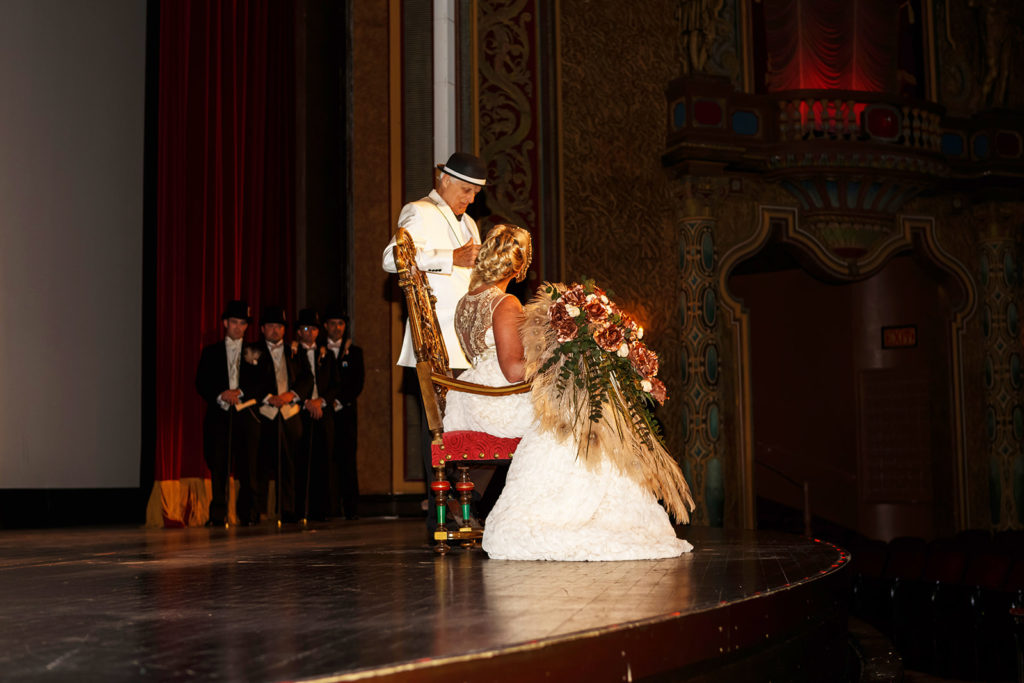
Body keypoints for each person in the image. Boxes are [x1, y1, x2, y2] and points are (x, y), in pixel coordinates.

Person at [448, 232, 696, 561]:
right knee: (581, 413)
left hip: (473, 395)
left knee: (579, 405)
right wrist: (558, 359)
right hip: (499, 397)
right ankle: (572, 515)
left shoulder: (466, 301)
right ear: (520, 267)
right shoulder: (505, 302)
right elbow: (512, 370)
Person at [382, 151, 487, 531]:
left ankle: (468, 508)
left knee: (470, 428)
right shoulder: (419, 210)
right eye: (465, 190)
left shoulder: (472, 224)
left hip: (469, 344)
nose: (469, 199)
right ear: (443, 179)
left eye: (475, 193)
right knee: (440, 431)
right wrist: (449, 257)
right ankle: (441, 517)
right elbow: (392, 258)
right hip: (435, 341)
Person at [195, 300, 262, 526]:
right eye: (234, 322)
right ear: (225, 323)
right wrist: (222, 394)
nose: (238, 327)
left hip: (245, 416)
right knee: (219, 466)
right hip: (220, 416)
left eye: (242, 323)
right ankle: (217, 515)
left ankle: (249, 514)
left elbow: (262, 382)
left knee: (248, 467)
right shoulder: (211, 352)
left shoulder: (255, 351)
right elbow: (201, 382)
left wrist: (240, 392)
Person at [255, 306, 310, 523]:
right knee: (261, 463)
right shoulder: (253, 351)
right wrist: (268, 396)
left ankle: (288, 509)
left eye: (279, 326)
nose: (275, 330)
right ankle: (256, 511)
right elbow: (250, 379)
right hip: (265, 412)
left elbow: (308, 378)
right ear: (262, 329)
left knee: (290, 463)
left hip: (289, 413)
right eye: (270, 326)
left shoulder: (295, 351)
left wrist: (290, 395)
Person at [294, 308, 336, 522]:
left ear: (318, 332)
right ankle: (301, 509)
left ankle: (324, 510)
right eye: (305, 329)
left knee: (325, 458)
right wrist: (307, 402)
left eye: (312, 329)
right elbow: (291, 382)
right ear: (299, 332)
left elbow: (334, 384)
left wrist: (321, 401)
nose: (309, 333)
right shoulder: (292, 353)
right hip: (301, 410)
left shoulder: (327, 354)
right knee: (302, 459)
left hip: (323, 411)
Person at [324, 306, 364, 519]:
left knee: (347, 461)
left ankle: (351, 509)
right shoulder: (318, 350)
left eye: (340, 324)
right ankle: (329, 508)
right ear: (325, 327)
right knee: (327, 460)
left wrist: (338, 401)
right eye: (332, 324)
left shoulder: (355, 352)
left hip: (346, 412)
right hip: (324, 413)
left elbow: (358, 383)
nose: (336, 328)